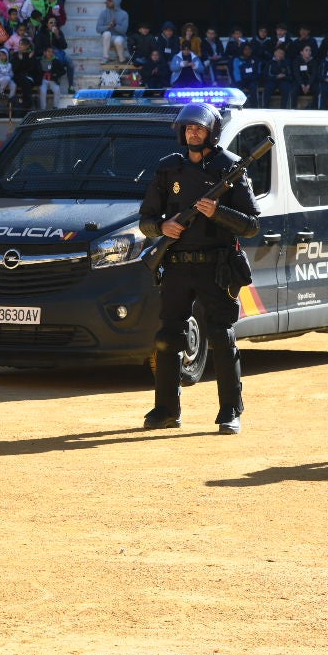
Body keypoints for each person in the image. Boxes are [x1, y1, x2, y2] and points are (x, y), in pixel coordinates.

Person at [137, 103, 260, 431]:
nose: (193, 132)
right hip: (176, 265)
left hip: (215, 267)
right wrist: (162, 228)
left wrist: (217, 212)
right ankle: (165, 410)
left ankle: (230, 411)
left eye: (200, 128)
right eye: (189, 127)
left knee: (221, 336)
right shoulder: (168, 169)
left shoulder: (229, 168)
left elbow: (251, 225)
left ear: (211, 132)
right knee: (167, 338)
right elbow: (146, 219)